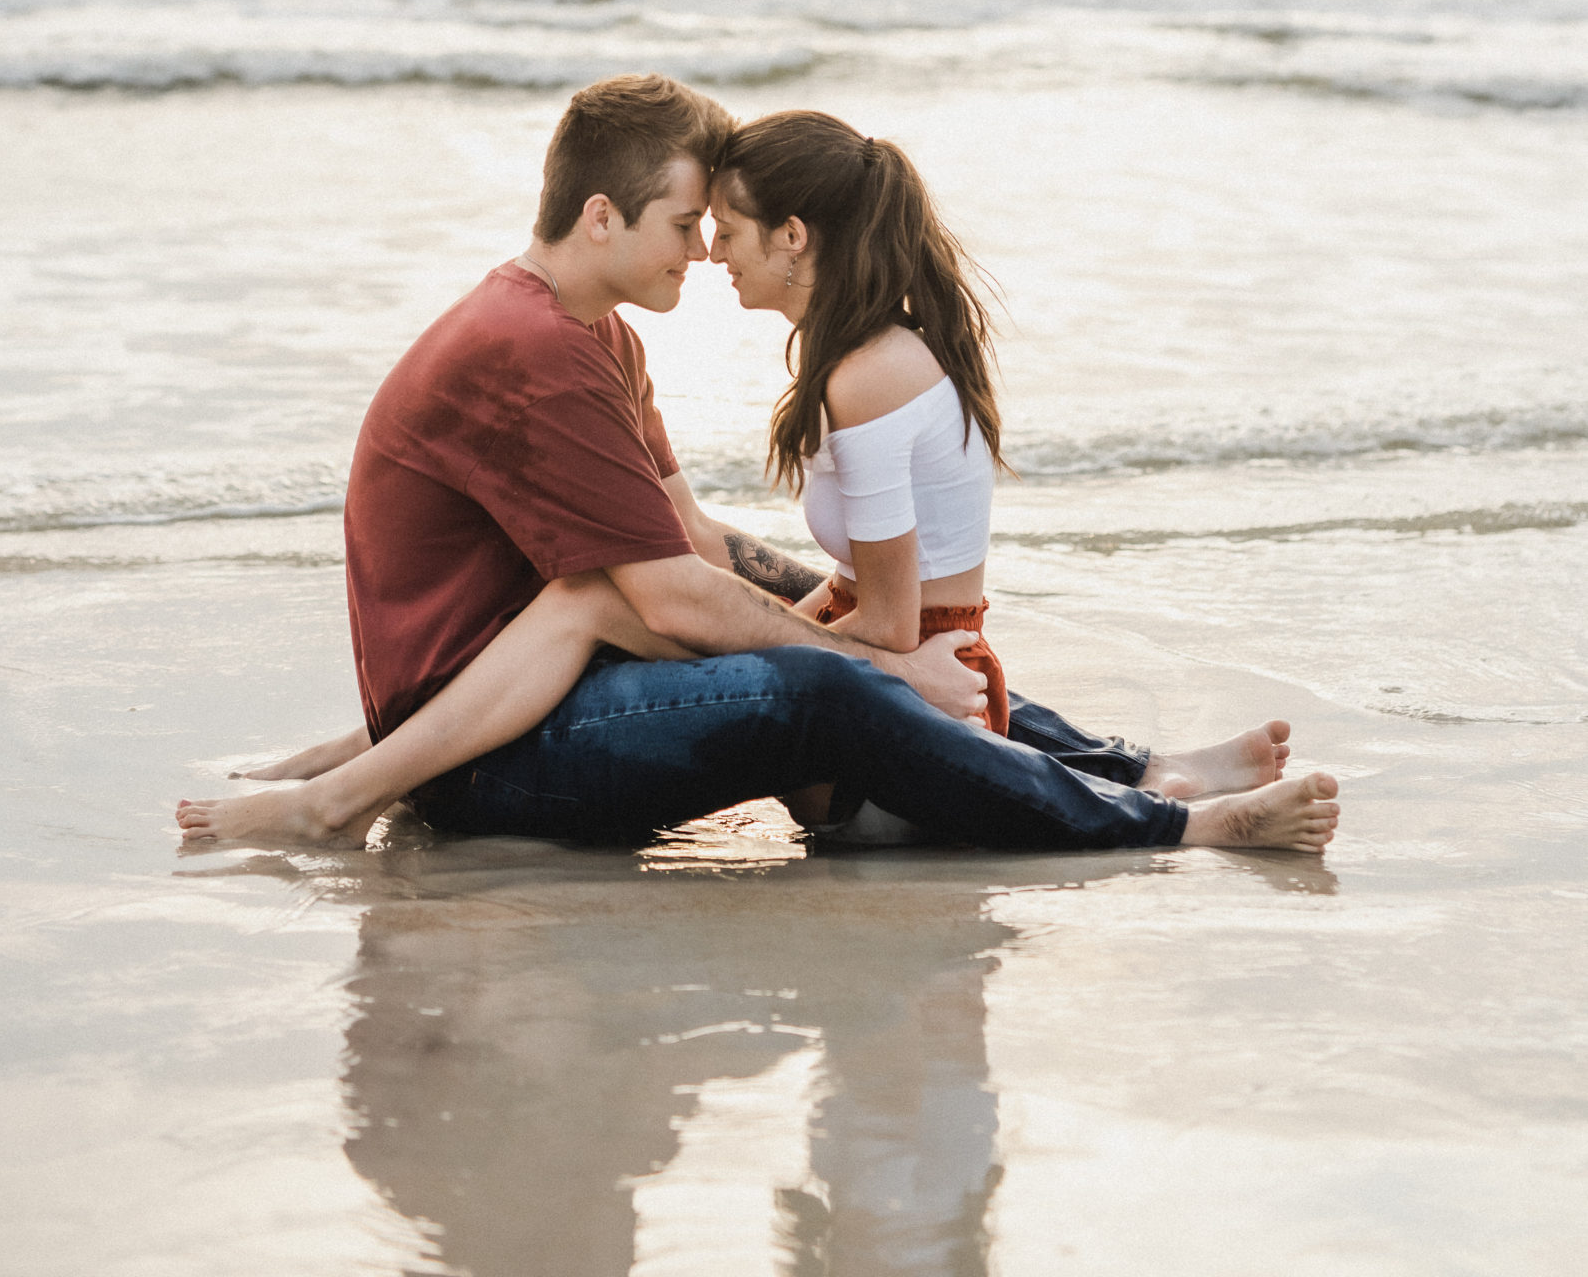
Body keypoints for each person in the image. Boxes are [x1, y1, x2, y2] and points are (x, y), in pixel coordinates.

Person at [178, 78, 1338, 857]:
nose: (702, 246)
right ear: (599, 217)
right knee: (826, 687)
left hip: (538, 694)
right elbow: (663, 594)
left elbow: (685, 539)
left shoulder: (595, 335)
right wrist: (874, 659)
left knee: (792, 601)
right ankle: (1157, 826)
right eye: (684, 223)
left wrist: (825, 609)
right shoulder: (527, 351)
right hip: (486, 766)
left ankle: (1129, 767)